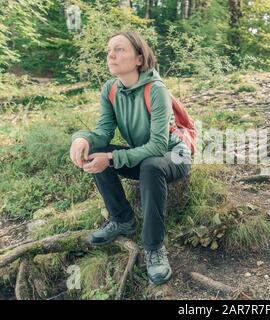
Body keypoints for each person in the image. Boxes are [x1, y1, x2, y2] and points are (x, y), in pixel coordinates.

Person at [69, 31, 192, 285]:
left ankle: (154, 248)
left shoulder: (156, 90)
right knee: (94, 155)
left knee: (149, 166)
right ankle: (122, 220)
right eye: (108, 50)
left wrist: (112, 158)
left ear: (139, 58)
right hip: (146, 156)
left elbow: (158, 146)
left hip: (174, 155)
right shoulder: (110, 89)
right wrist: (82, 139)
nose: (111, 55)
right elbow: (103, 132)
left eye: (119, 49)